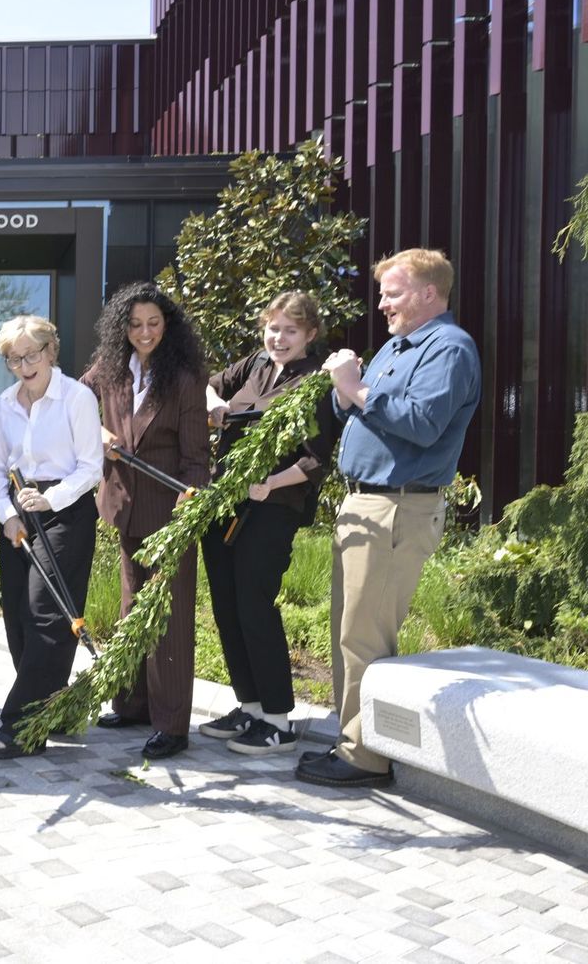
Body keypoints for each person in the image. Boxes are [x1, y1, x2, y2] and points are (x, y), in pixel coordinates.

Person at [299, 249, 479, 788]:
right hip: (365, 503)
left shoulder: (450, 348)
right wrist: (342, 387)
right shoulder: (396, 348)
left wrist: (355, 388)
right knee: (350, 628)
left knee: (365, 635)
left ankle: (365, 757)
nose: (381, 304)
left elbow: (423, 423)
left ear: (429, 293)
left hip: (398, 506)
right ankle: (351, 739)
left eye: (393, 293)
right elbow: (354, 407)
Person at [199, 292, 339, 756]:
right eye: (274, 328)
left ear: (310, 335)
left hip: (272, 506)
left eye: (291, 331)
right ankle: (251, 705)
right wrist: (216, 404)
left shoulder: (315, 383)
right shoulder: (255, 365)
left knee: (254, 603)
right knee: (226, 604)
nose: (279, 338)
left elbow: (316, 459)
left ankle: (278, 718)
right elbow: (206, 384)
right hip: (227, 500)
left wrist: (271, 483)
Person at [81, 281, 210, 760]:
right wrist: (97, 431)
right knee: (131, 610)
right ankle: (132, 705)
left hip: (168, 511)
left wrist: (189, 505)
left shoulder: (185, 376)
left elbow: (197, 455)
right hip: (124, 506)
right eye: (135, 324)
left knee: (169, 621)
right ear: (122, 327)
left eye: (154, 323)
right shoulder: (112, 368)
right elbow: (74, 402)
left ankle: (172, 725)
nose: (144, 332)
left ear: (168, 325)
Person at [0, 316, 103, 759]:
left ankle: (20, 728)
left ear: (52, 350)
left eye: (32, 354)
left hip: (65, 511)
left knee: (45, 614)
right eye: (14, 358)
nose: (24, 365)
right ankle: (53, 707)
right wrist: (7, 515)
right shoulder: (4, 404)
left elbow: (91, 468)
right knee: (16, 616)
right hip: (17, 512)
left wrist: (52, 501)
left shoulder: (77, 398)